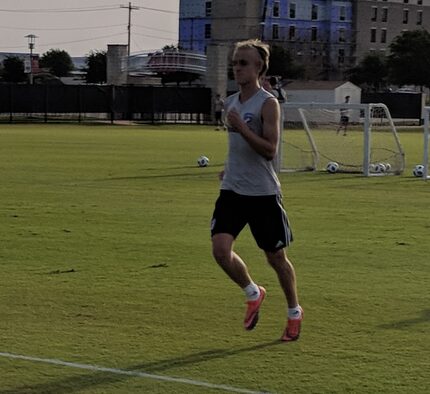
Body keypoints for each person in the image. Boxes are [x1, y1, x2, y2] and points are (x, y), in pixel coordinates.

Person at [210, 39, 303, 342]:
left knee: (275, 258)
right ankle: (253, 292)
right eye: (235, 63)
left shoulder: (267, 103)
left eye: (244, 63)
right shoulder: (233, 102)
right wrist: (229, 166)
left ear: (259, 67)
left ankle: (294, 312)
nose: (237, 68)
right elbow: (238, 147)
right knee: (221, 250)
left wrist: (242, 128)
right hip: (233, 190)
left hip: (262, 195)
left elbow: (269, 150)